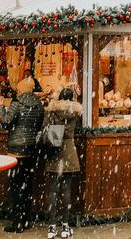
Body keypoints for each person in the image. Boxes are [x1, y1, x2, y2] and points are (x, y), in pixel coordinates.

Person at [0, 76, 44, 233]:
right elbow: (39, 125)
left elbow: (6, 122)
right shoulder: (38, 104)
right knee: (27, 186)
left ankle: (17, 222)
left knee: (16, 187)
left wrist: (1, 107)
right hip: (31, 149)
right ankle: (26, 220)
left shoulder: (17, 104)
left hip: (16, 150)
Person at [44, 88, 83, 239]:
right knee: (66, 191)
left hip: (54, 150)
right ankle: (65, 227)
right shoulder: (75, 112)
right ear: (72, 98)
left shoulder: (51, 111)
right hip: (69, 152)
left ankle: (52, 227)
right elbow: (77, 129)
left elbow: (45, 128)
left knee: (53, 191)